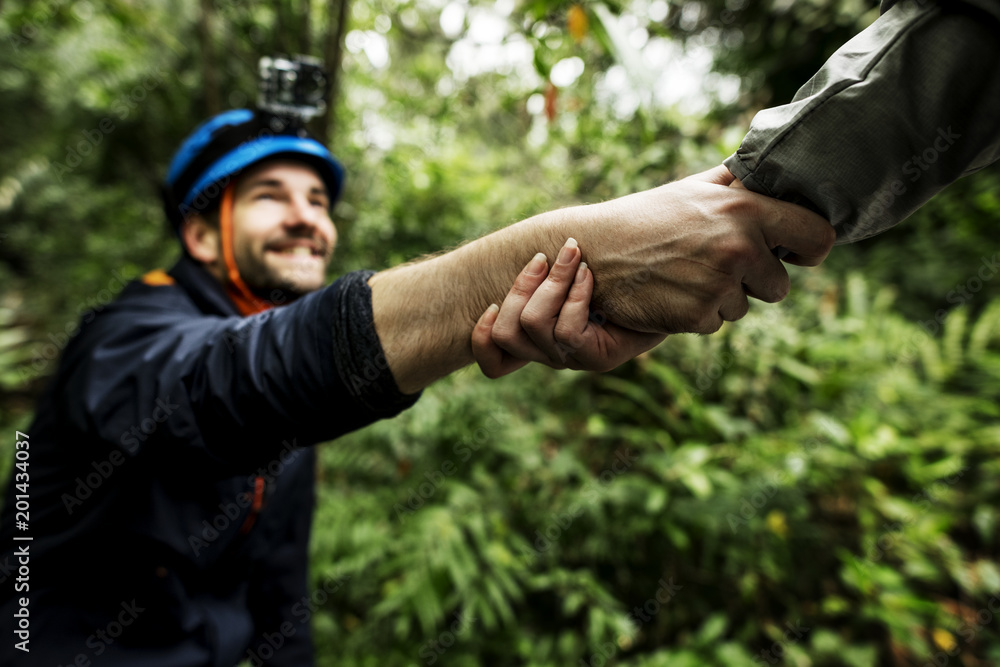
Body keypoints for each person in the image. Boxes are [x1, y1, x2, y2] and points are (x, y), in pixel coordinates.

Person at [0, 106, 831, 666]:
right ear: (199, 234)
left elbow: (278, 586)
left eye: (319, 199)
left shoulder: (292, 384)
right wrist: (513, 265)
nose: (307, 217)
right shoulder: (121, 337)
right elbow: (226, 385)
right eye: (268, 196)